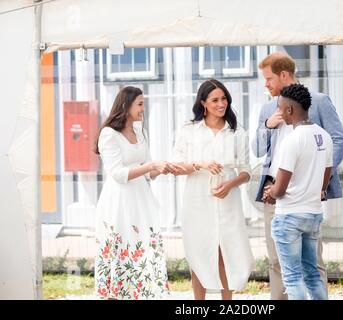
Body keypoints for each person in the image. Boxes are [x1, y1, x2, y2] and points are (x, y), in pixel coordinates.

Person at [252, 52, 343, 299]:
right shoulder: (267, 109)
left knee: (311, 261)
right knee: (275, 260)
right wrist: (267, 127)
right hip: (273, 190)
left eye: (269, 78)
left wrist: (320, 179)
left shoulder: (318, 101)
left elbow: (338, 140)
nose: (266, 84)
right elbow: (257, 150)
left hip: (306, 192)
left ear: (284, 75)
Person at [94, 86, 181, 300]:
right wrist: (151, 165)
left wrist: (161, 169)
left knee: (141, 251)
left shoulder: (140, 131)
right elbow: (118, 174)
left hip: (141, 200)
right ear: (126, 105)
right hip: (118, 202)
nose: (144, 108)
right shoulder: (108, 134)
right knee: (118, 253)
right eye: (140, 103)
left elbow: (148, 172)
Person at [172, 79, 255, 300]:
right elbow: (176, 167)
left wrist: (230, 184)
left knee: (224, 251)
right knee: (198, 251)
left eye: (224, 98)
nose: (221, 104)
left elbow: (246, 171)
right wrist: (200, 164)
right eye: (215, 100)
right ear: (203, 103)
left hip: (228, 199)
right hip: (197, 199)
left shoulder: (237, 132)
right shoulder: (189, 130)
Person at [262, 83, 333, 300]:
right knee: (312, 274)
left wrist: (270, 193)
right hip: (313, 214)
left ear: (290, 110)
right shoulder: (324, 137)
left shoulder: (291, 140)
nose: (279, 112)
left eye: (281, 108)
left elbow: (281, 188)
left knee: (292, 278)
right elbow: (324, 181)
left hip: (289, 216)